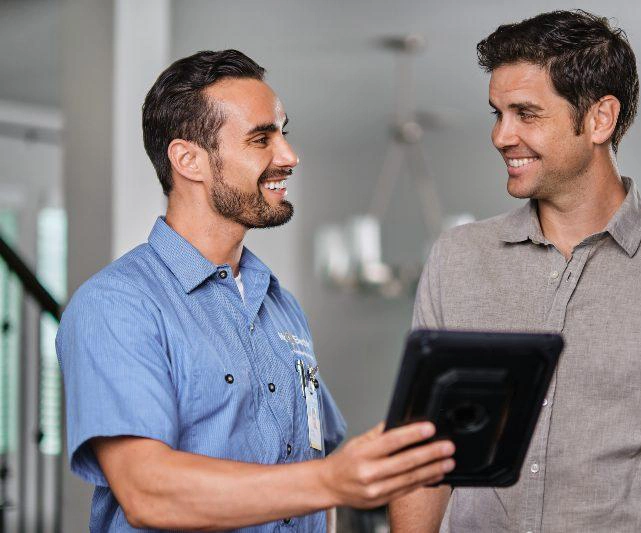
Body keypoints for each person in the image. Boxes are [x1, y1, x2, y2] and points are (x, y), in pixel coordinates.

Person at [388, 10, 641, 533]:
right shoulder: (457, 259)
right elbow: (425, 449)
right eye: (496, 113)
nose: (501, 136)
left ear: (600, 118)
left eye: (525, 113)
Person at [56, 49, 455, 532]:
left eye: (283, 134)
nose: (288, 156)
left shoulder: (280, 306)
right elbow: (147, 490)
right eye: (261, 139)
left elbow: (317, 456)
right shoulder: (117, 305)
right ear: (188, 159)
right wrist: (331, 480)